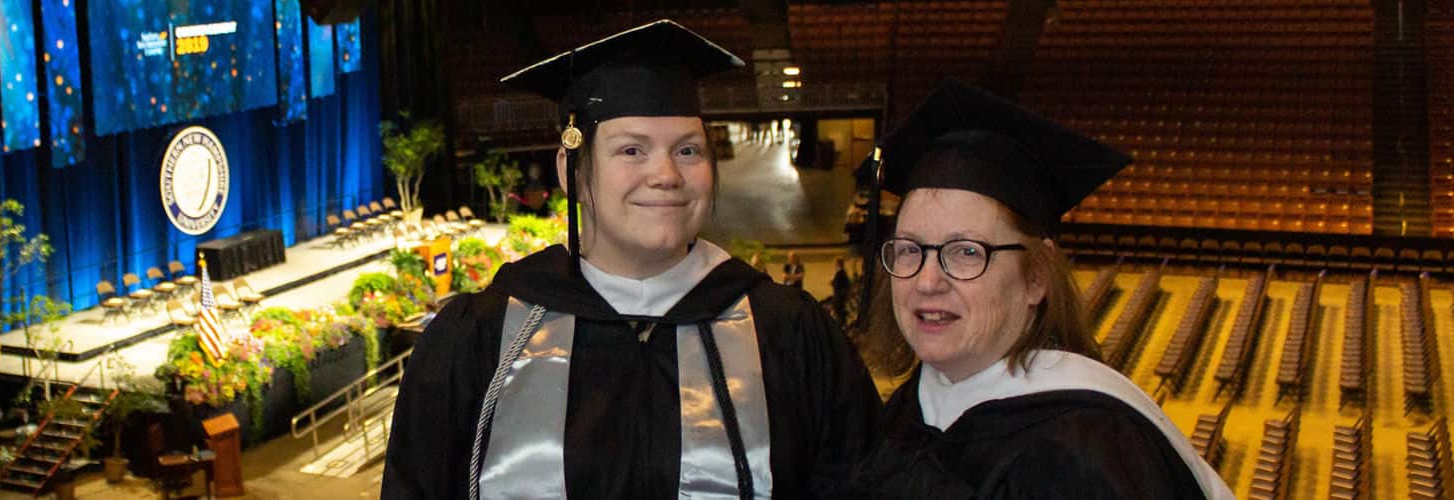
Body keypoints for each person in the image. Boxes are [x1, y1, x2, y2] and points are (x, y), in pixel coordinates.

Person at [380, 20, 881, 499]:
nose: (666, 175)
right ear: (572, 171)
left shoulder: (788, 334)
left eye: (688, 151)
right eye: (632, 151)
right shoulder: (481, 340)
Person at [842, 80, 1234, 499]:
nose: (926, 281)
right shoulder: (914, 405)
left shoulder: (1089, 450)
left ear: (1036, 277)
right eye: (909, 249)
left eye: (967, 252)